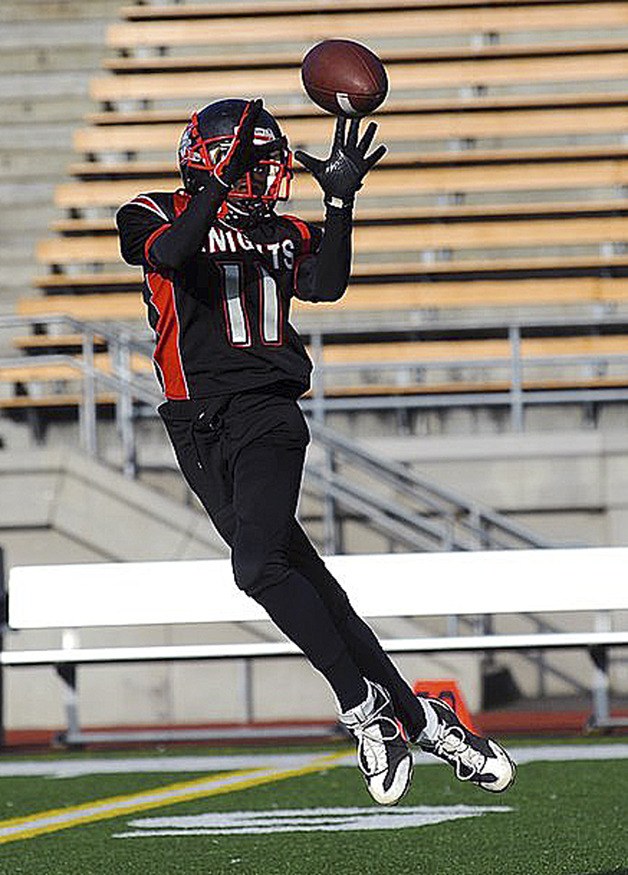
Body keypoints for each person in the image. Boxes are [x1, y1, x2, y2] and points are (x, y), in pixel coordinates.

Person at [116, 97, 516, 805]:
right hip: (193, 425)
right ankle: (426, 719)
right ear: (210, 160)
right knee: (307, 582)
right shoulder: (152, 209)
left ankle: (365, 712)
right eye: (251, 161)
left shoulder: (279, 228)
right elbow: (173, 253)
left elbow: (325, 283)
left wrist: (340, 204)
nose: (265, 176)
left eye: (264, 163)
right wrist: (216, 184)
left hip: (267, 416)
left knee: (258, 565)